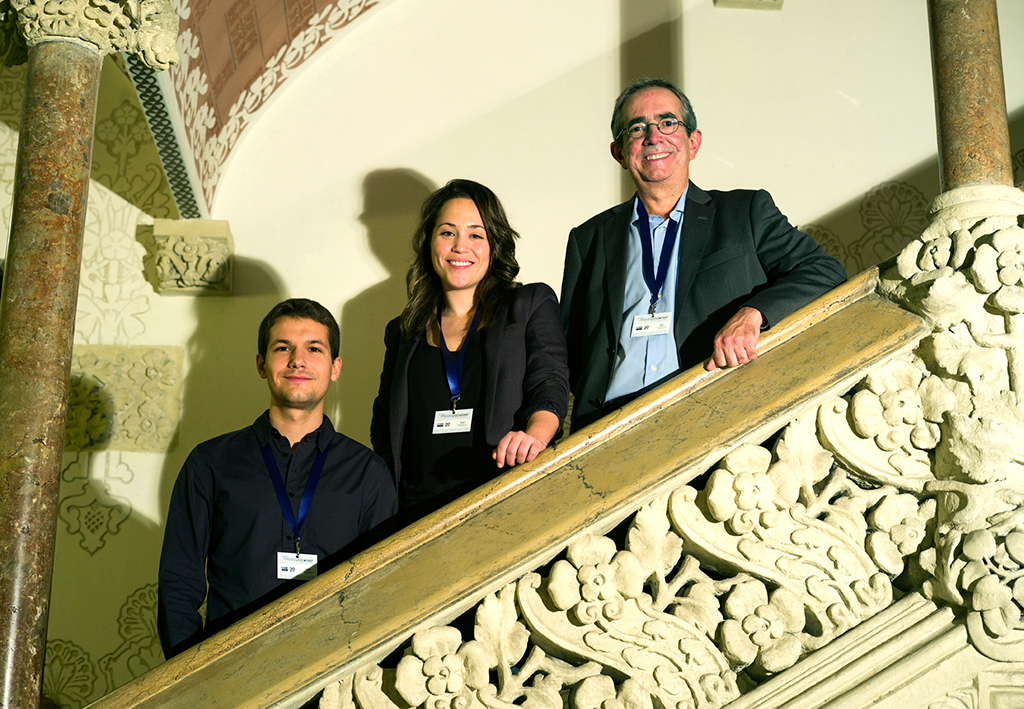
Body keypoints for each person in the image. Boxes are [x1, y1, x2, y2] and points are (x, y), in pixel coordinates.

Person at [561, 78, 847, 432]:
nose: (654, 137)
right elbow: (569, 351)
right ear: (619, 152)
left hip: (711, 409)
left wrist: (753, 314)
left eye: (668, 123)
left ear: (692, 142)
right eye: (637, 128)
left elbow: (823, 270)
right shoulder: (588, 238)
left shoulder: (744, 211)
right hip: (609, 428)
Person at [158, 298, 398, 658]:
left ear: (335, 368)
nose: (297, 360)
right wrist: (191, 674)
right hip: (229, 672)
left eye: (313, 349)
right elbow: (179, 581)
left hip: (332, 676)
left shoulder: (368, 473)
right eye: (282, 348)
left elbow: (383, 589)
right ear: (261, 364)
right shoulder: (210, 464)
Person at [371, 179, 569, 519]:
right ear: (429, 242)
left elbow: (550, 383)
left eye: (476, 234)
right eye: (448, 233)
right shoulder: (403, 331)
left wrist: (535, 437)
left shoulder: (528, 305)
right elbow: (383, 429)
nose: (460, 246)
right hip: (415, 516)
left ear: (495, 244)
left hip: (504, 500)